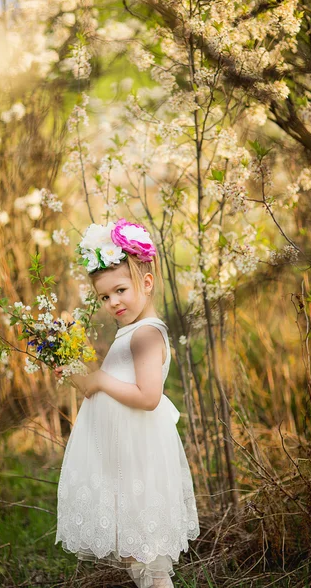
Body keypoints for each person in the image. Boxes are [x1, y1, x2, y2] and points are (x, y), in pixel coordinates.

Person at [54, 218, 200, 588]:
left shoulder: (147, 335)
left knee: (147, 553)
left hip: (139, 456)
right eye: (104, 297)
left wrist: (101, 379)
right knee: (135, 550)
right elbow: (101, 388)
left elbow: (149, 397)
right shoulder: (131, 333)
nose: (112, 302)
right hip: (122, 456)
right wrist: (74, 370)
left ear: (146, 283)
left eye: (120, 290)